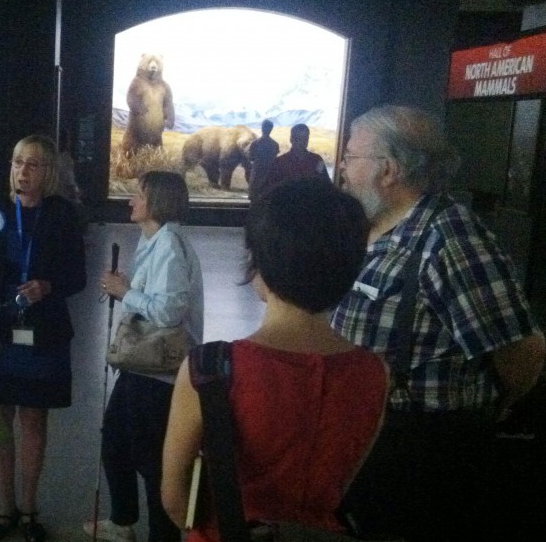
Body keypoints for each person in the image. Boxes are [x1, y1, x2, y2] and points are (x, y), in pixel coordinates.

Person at [331, 105, 546, 541]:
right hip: (375, 445)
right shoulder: (381, 229)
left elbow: (523, 349)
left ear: (387, 170)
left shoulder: (448, 241)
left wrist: (497, 404)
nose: (342, 169)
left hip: (422, 457)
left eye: (351, 157)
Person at [159, 178, 387, 541]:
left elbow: (175, 500)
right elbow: (342, 483)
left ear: (258, 261)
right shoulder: (375, 373)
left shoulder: (211, 367)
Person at [0, 134, 87, 542]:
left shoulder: (63, 215)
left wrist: (48, 286)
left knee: (34, 419)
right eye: (18, 162)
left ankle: (29, 510)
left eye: (33, 164)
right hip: (1, 329)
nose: (23, 171)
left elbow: (78, 277)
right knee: (1, 422)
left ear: (48, 172)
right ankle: (4, 512)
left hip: (45, 330)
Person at [86, 170, 204, 542]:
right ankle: (123, 522)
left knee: (153, 461)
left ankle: (161, 536)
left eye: (139, 193)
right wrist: (130, 288)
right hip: (145, 364)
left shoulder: (169, 245)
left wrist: (126, 292)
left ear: (158, 201)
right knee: (117, 439)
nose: (131, 199)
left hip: (160, 371)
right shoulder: (155, 240)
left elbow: (169, 312)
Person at [253, 123, 330, 198]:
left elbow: (326, 185)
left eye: (305, 139)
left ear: (308, 139)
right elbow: (268, 189)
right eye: (298, 138)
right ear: (291, 139)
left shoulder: (317, 161)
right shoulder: (279, 163)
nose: (302, 142)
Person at [246, 119, 280, 200]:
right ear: (271, 129)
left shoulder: (255, 143)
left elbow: (250, 157)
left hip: (256, 175)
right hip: (270, 175)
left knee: (254, 202)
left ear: (262, 128)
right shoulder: (275, 144)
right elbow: (275, 158)